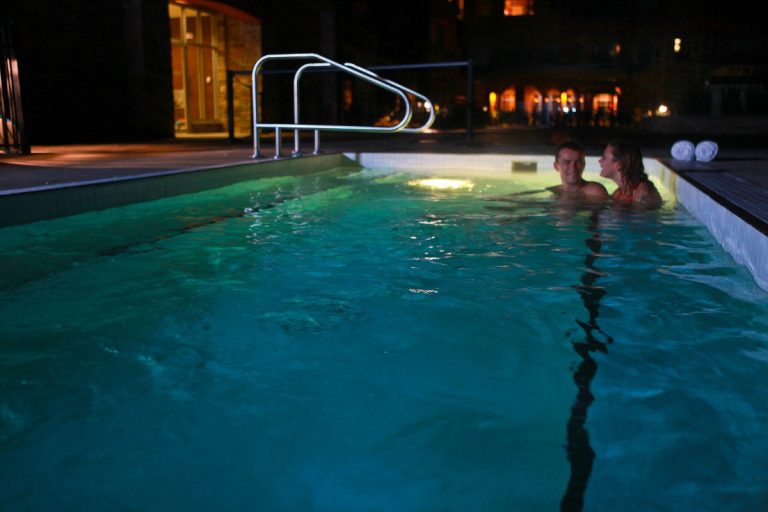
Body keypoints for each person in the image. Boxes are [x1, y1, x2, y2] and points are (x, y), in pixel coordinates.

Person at [599, 139, 662, 208]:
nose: (600, 161)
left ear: (618, 164)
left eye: (604, 158)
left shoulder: (643, 193)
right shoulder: (619, 193)